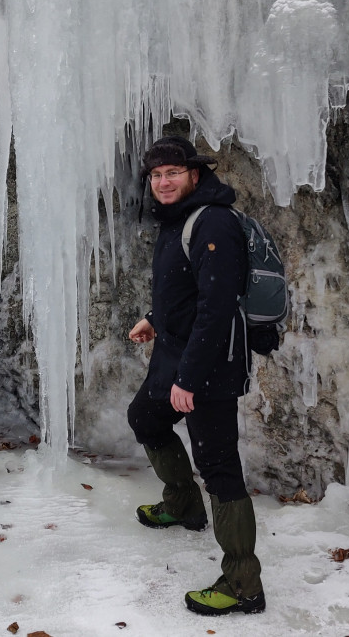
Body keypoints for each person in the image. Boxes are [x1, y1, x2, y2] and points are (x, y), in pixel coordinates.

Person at [127, 135, 265, 615]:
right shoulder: (180, 218)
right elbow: (184, 287)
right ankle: (184, 504)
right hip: (176, 352)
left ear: (194, 174)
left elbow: (217, 308)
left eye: (172, 173)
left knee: (219, 466)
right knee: (145, 418)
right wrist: (154, 317)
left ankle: (243, 584)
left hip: (209, 364)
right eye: (156, 175)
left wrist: (188, 379)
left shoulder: (215, 222)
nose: (163, 182)